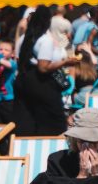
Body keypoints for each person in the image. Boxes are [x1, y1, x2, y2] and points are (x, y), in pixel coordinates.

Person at [14, 8, 78, 136]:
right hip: (42, 83)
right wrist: (65, 62)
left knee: (28, 120)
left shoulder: (23, 39)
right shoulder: (45, 39)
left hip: (23, 81)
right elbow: (43, 67)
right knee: (53, 121)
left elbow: (18, 59)